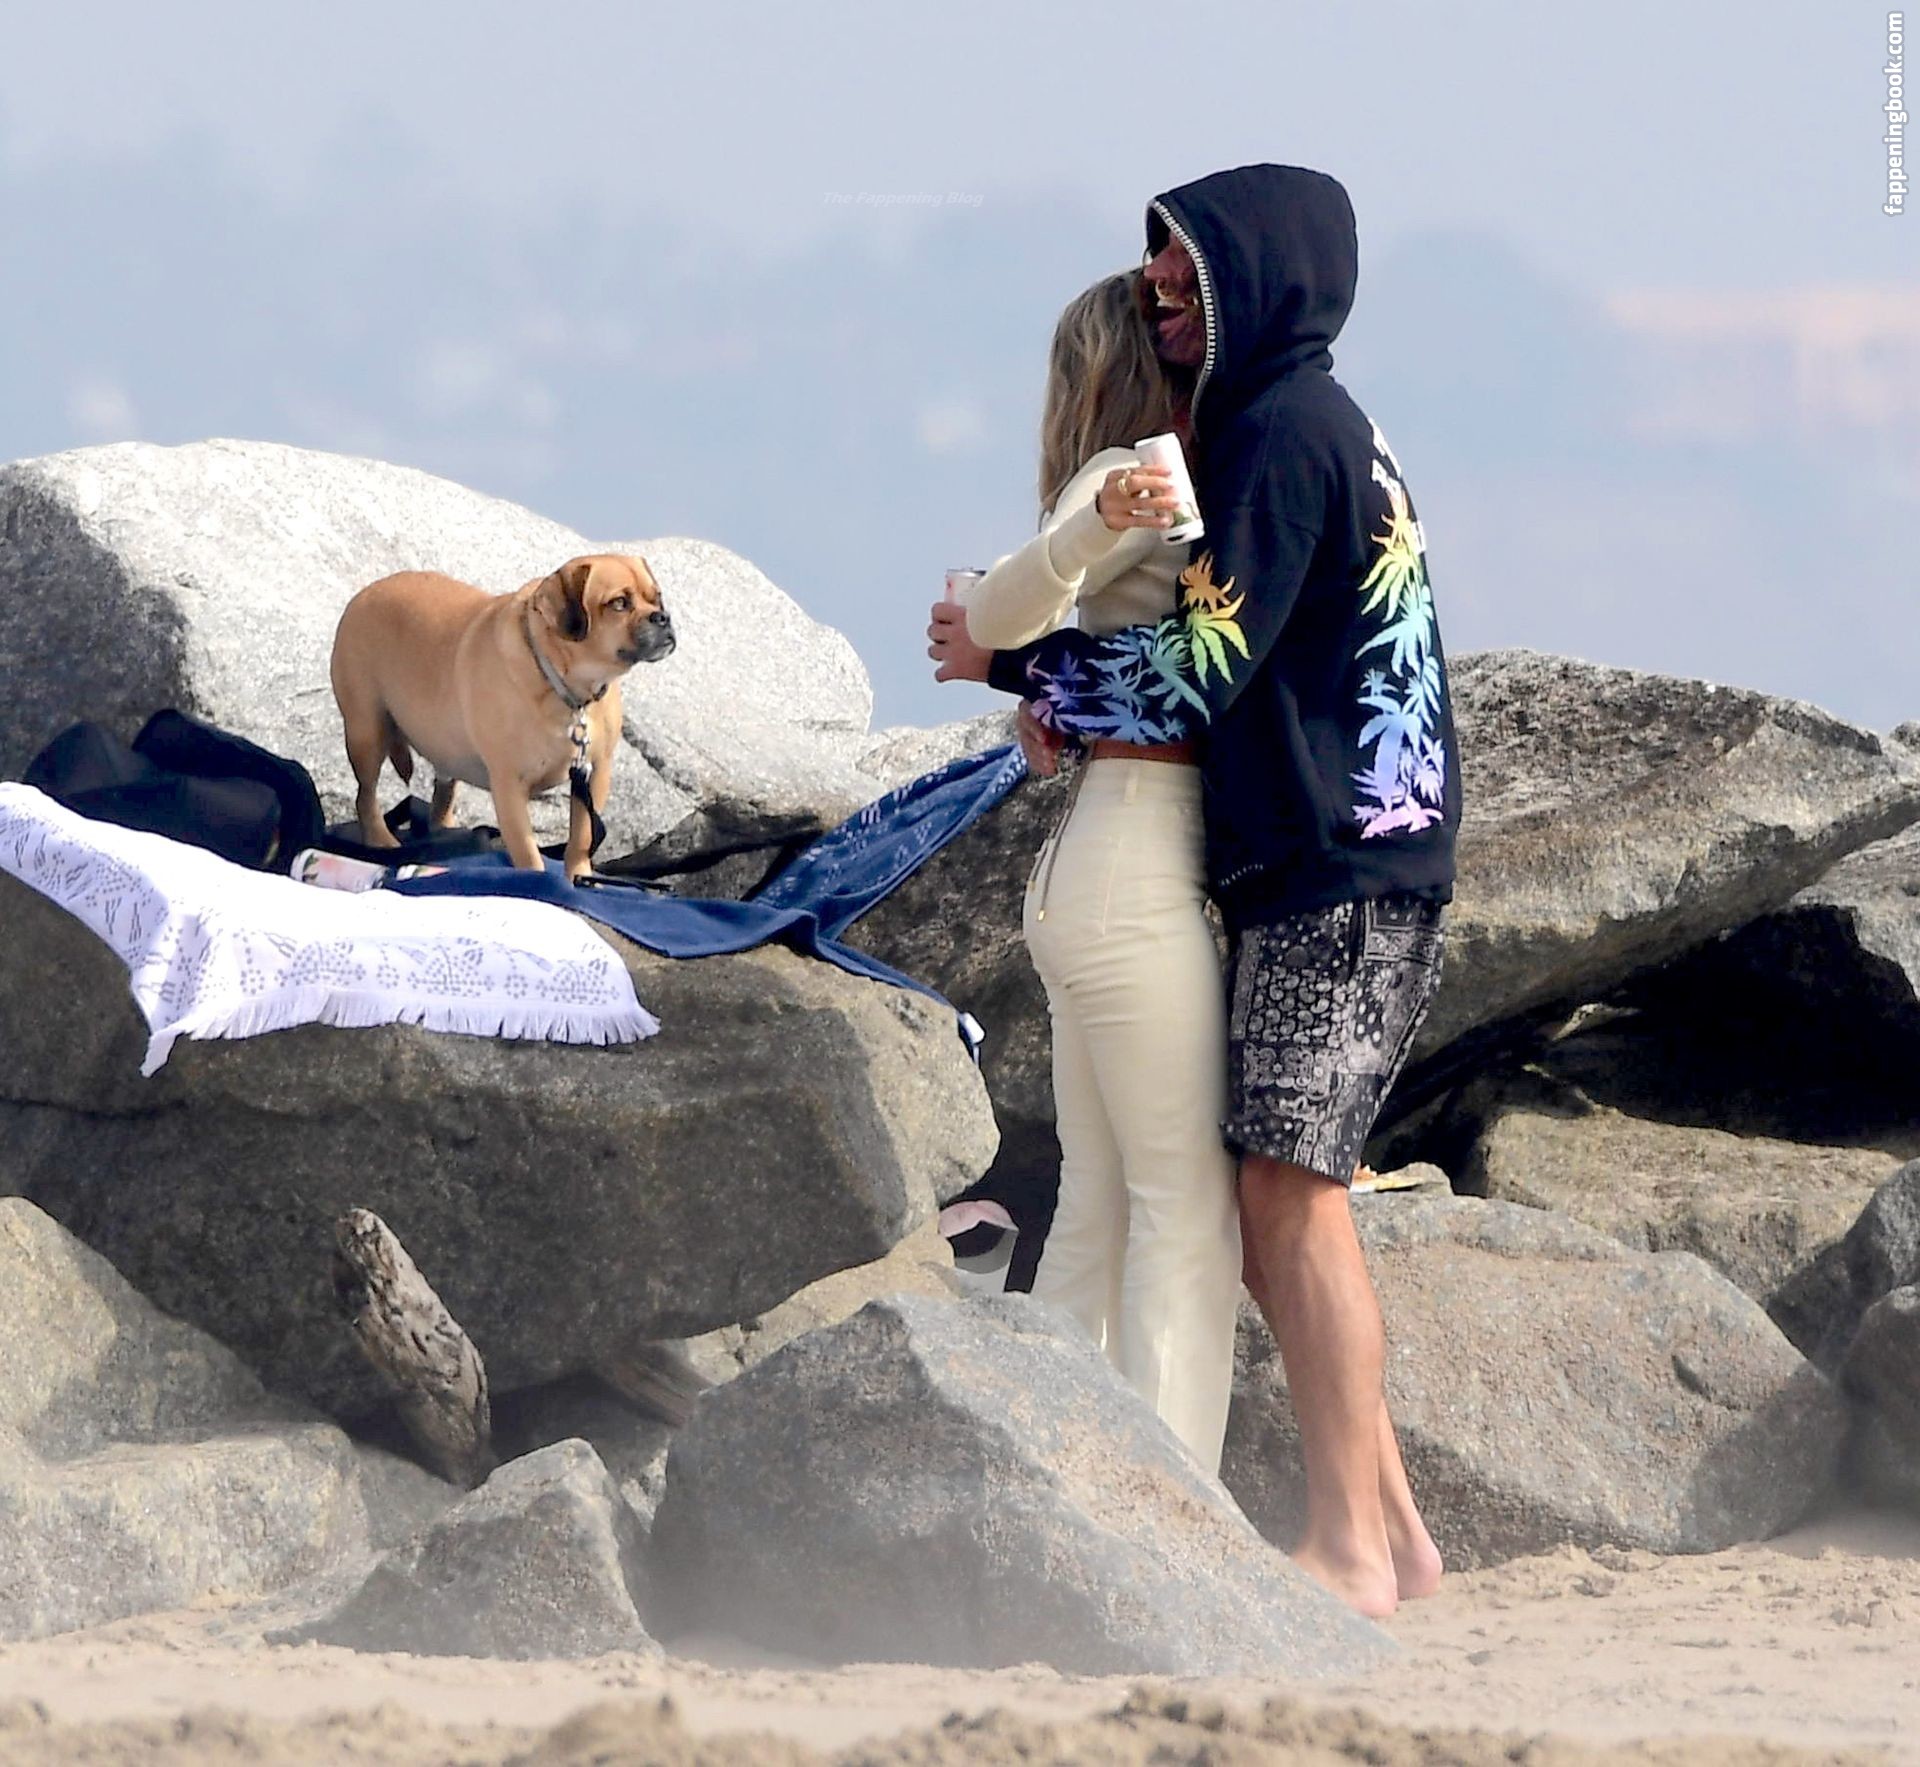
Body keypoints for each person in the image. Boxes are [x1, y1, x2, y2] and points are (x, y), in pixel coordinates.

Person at [932, 164, 1459, 1619]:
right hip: (1335, 857)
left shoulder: (1283, 433)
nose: (1161, 276)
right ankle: (1395, 1538)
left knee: (1284, 1194)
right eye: (1157, 252)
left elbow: (1196, 671)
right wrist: (1046, 680)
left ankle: (1348, 1548)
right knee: (1267, 1188)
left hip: (1341, 867)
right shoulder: (1300, 422)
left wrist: (1017, 668)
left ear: (1263, 275)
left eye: (1188, 257)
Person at [926, 269, 1244, 1477]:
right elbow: (1002, 614)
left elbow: (1020, 633)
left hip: (1098, 872)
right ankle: (1174, 1506)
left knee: (1101, 1203)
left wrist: (1038, 677)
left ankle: (1048, 1476)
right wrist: (1095, 518)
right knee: (1181, 1206)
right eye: (1170, 337)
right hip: (1129, 874)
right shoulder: (1135, 478)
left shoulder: (1155, 487)